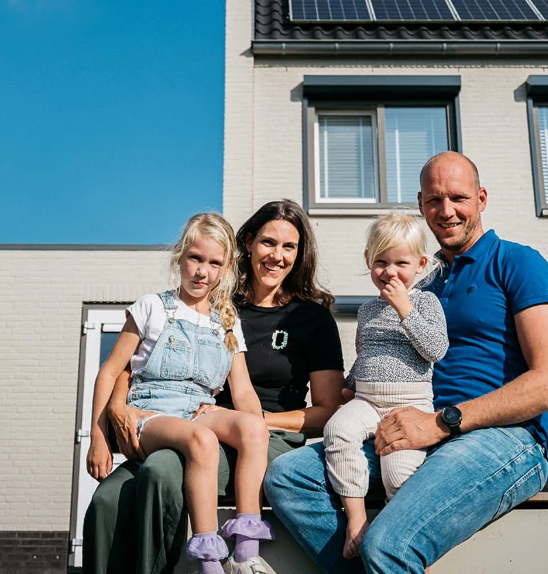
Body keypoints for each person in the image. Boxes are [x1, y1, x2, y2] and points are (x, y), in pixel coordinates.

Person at [264, 152, 548, 574]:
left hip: (501, 439)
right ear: (421, 204)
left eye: (459, 198)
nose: (446, 211)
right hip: (408, 424)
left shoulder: (517, 263)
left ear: (481, 199)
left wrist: (442, 422)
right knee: (288, 477)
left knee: (389, 544)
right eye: (433, 200)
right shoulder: (421, 281)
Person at [84, 199, 345, 574]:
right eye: (268, 243)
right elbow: (130, 362)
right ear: (248, 245)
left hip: (247, 434)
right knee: (107, 499)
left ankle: (209, 558)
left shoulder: (309, 319)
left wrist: (259, 421)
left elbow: (324, 412)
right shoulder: (220, 304)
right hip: (182, 422)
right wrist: (117, 407)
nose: (277, 256)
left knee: (162, 471)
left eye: (289, 247)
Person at [86, 212, 274, 574]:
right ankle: (208, 559)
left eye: (214, 263)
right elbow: (110, 371)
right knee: (202, 440)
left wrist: (257, 424)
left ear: (226, 267)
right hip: (151, 413)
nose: (202, 271)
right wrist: (97, 435)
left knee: (253, 429)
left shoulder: (227, 321)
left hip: (197, 410)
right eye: (195, 259)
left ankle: (247, 552)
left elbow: (244, 391)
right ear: (180, 258)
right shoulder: (153, 307)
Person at [322, 214, 447, 559]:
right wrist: (348, 388)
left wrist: (405, 309)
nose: (390, 272)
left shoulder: (425, 303)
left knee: (397, 472)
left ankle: (401, 544)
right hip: (366, 399)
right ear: (368, 262)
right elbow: (364, 354)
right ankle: (357, 518)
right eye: (381, 262)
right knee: (337, 431)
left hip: (408, 405)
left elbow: (436, 349)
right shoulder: (366, 310)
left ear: (421, 264)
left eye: (401, 263)